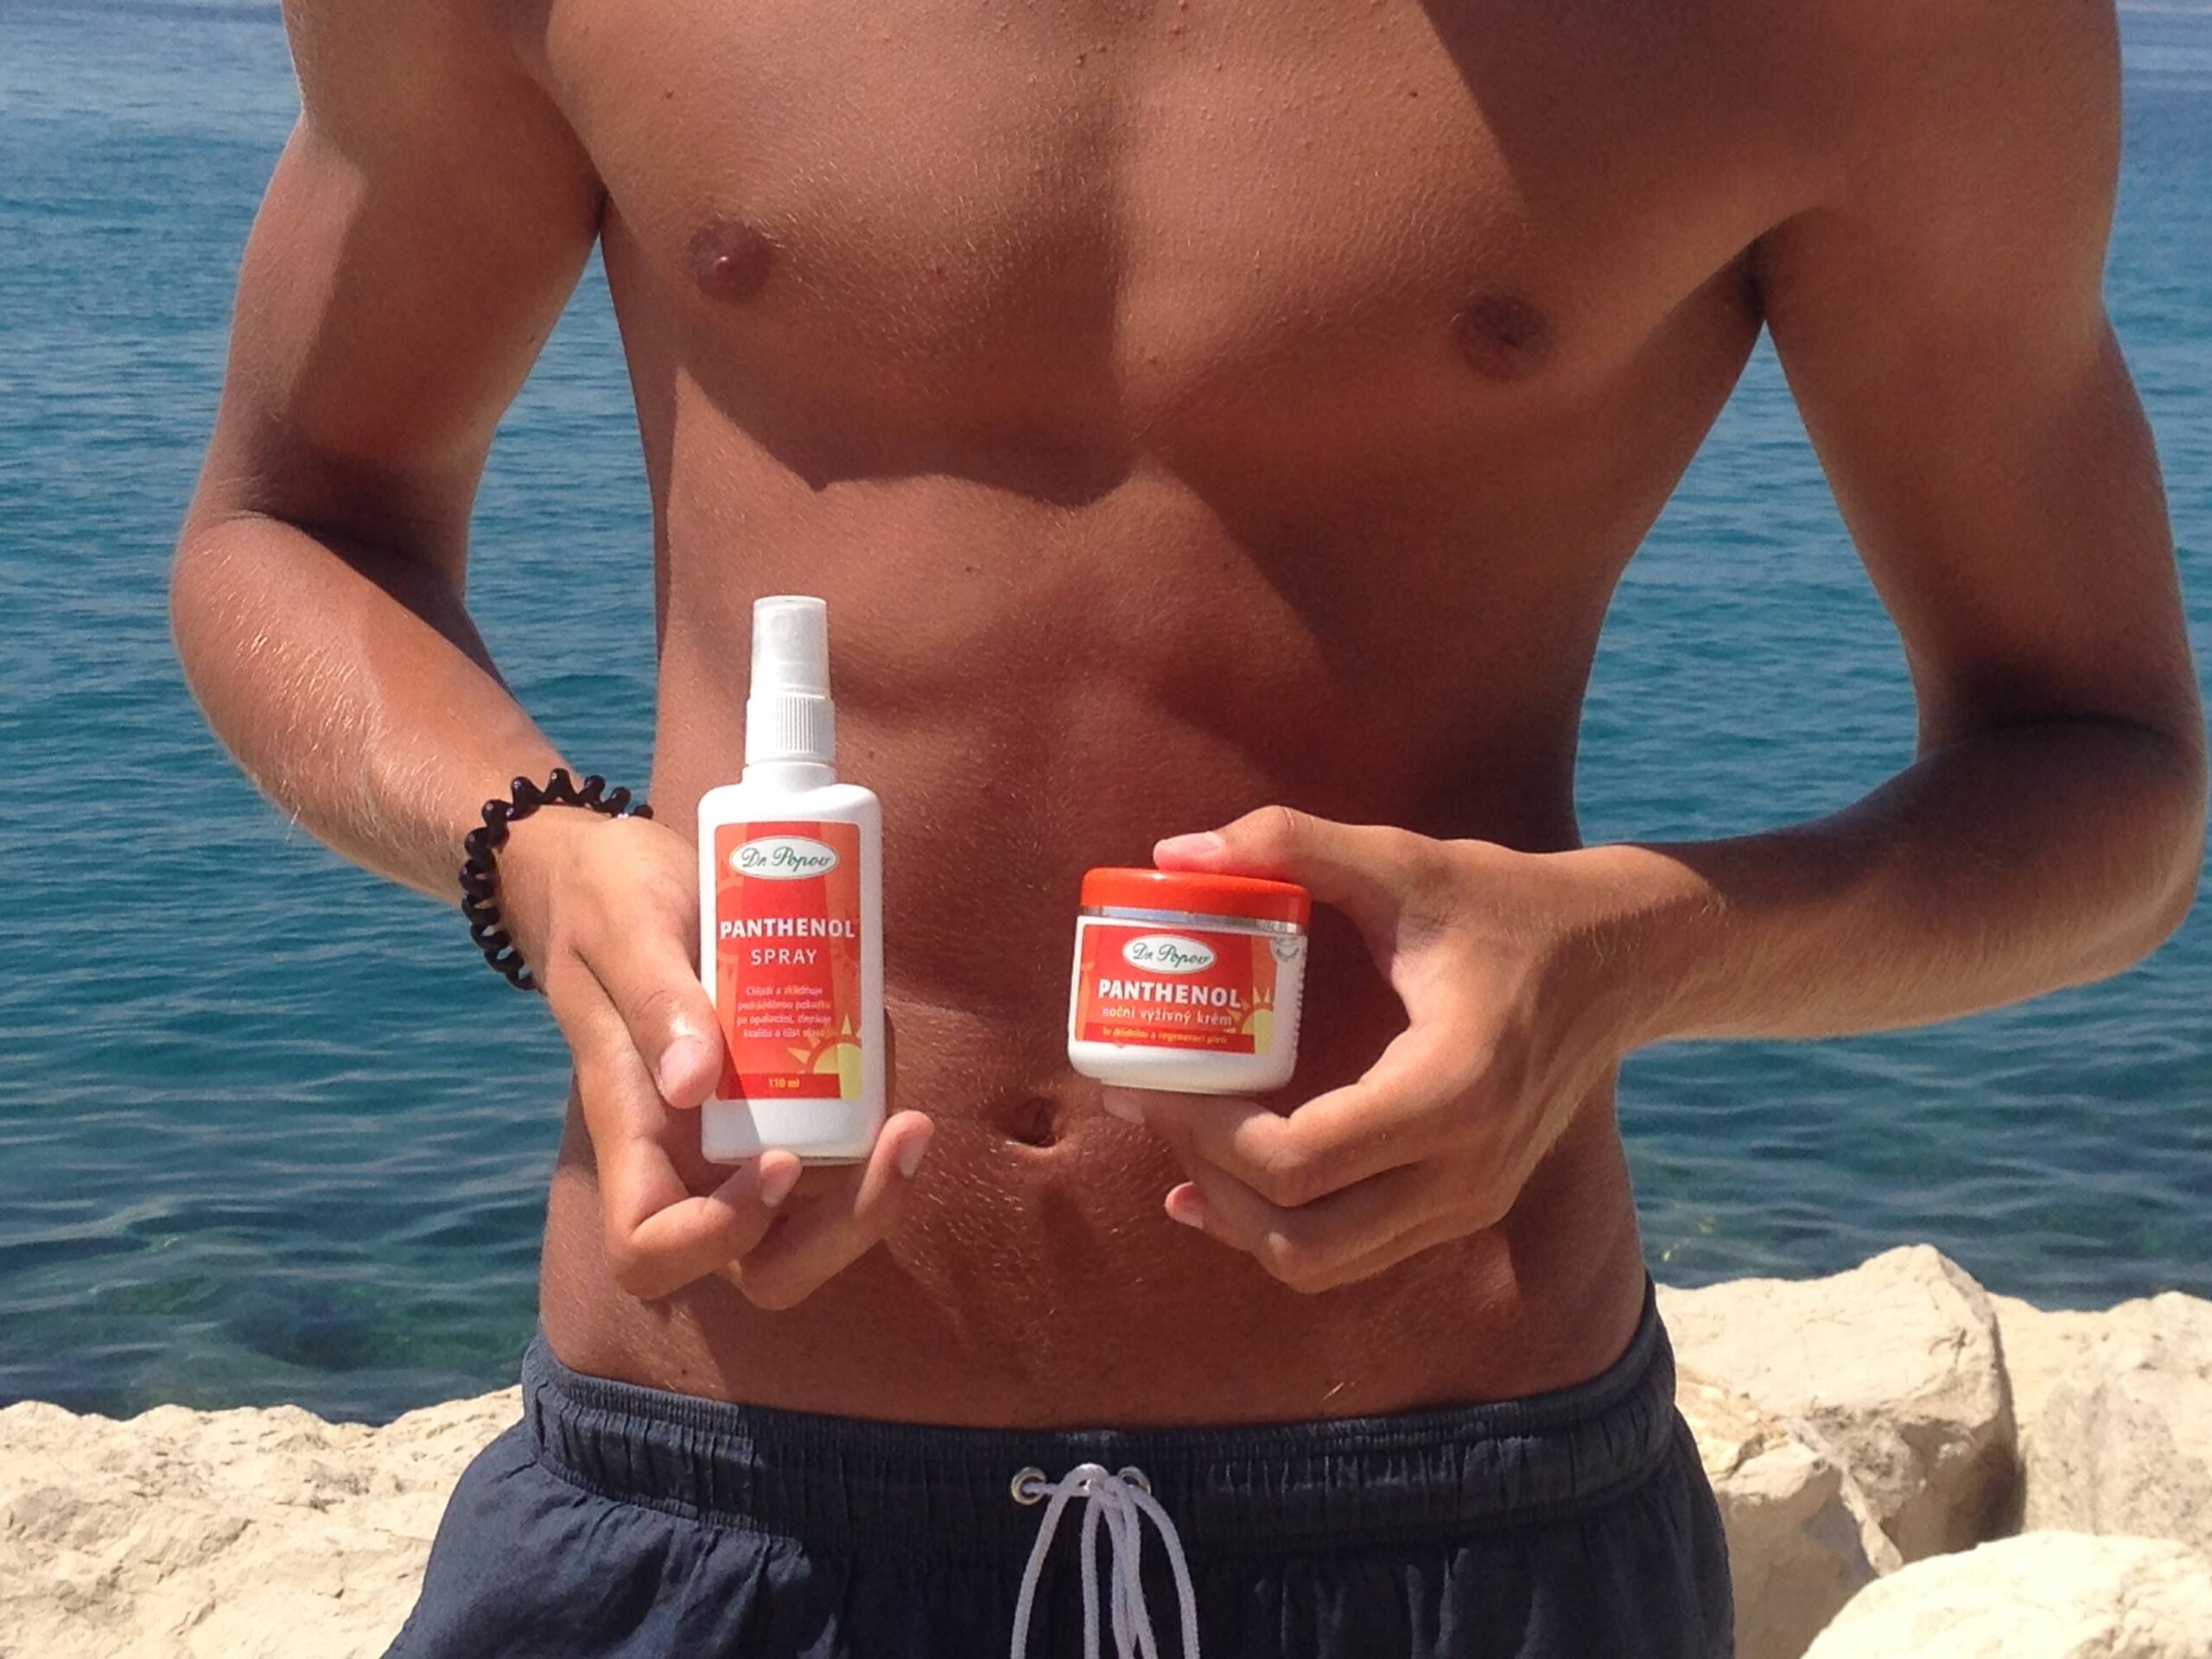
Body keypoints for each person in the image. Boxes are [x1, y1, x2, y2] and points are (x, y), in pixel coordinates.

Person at [172, 0, 2203, 1653]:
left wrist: (1640, 954)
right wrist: (534, 848)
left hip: (1446, 1518)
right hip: (702, 1486)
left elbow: (2104, 769)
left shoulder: (1881, 25)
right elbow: (289, 522)